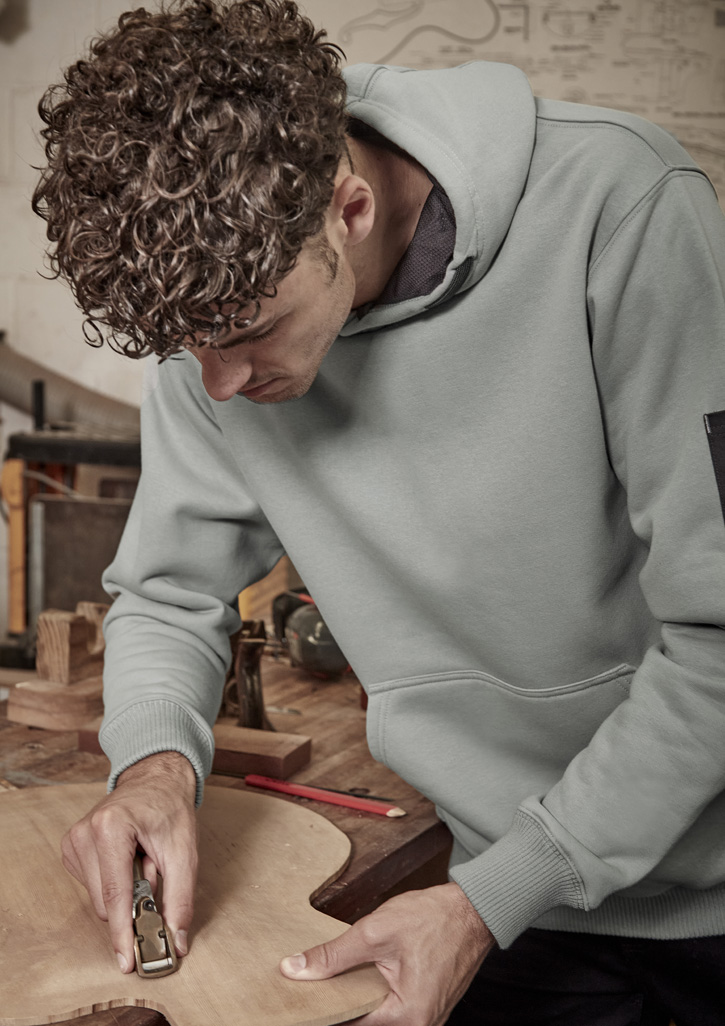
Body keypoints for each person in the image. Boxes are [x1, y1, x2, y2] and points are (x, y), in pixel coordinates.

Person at [31, 1, 725, 1023]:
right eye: (188, 351)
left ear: (347, 211)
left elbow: (717, 637)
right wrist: (153, 766)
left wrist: (496, 894)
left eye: (250, 333)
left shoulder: (620, 209)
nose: (218, 388)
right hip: (505, 895)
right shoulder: (212, 315)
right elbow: (170, 596)